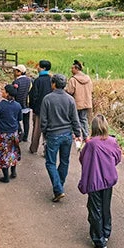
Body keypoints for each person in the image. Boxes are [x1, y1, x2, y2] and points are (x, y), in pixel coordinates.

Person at [77, 114, 121, 248]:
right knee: (105, 206)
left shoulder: (91, 144)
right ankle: (106, 232)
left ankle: (99, 239)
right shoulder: (112, 141)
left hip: (95, 181)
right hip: (108, 180)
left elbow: (83, 159)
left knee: (95, 209)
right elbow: (118, 157)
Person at [40, 73, 81, 202]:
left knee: (50, 162)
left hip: (53, 134)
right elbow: (75, 119)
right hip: (67, 135)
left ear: (53, 84)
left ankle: (58, 188)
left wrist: (44, 132)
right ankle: (59, 186)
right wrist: (78, 133)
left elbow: (43, 120)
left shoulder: (47, 99)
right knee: (64, 161)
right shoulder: (70, 99)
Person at [0, 84, 23, 182]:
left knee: (2, 154)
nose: (2, 92)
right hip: (13, 133)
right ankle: (13, 172)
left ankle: (6, 177)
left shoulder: (0, 105)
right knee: (12, 152)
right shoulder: (17, 105)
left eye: (3, 90)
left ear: (7, 93)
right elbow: (19, 118)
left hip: (2, 134)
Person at [27, 60, 52, 154]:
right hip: (50, 110)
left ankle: (33, 148)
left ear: (43, 68)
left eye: (39, 66)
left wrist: (32, 107)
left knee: (36, 130)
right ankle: (47, 151)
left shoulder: (38, 80)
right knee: (48, 131)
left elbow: (33, 95)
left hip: (39, 109)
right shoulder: (52, 79)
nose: (37, 68)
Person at [66, 59, 93, 140]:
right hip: (86, 102)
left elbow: (70, 91)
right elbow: (91, 90)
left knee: (74, 119)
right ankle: (86, 136)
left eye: (72, 68)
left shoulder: (73, 79)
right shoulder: (88, 78)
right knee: (83, 119)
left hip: (76, 103)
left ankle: (75, 135)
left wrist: (65, 90)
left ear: (76, 69)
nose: (71, 70)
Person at [11, 64, 33, 142]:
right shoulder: (30, 80)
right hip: (27, 104)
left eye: (15, 70)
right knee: (26, 122)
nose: (14, 72)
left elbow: (13, 93)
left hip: (18, 104)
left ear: (19, 72)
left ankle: (20, 133)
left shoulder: (16, 82)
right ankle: (25, 137)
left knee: (16, 120)